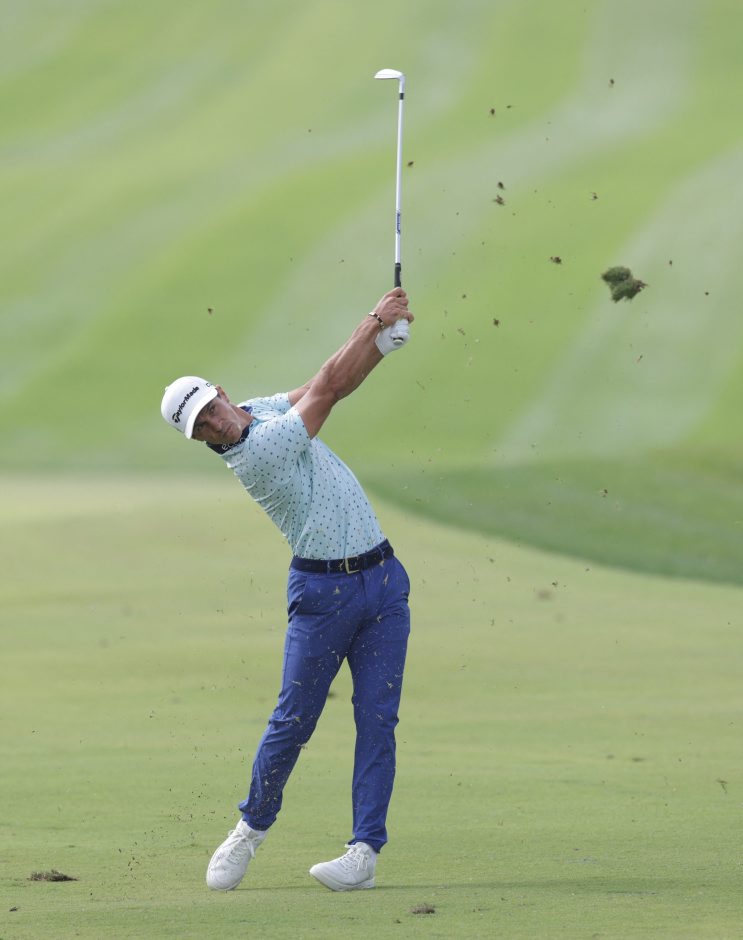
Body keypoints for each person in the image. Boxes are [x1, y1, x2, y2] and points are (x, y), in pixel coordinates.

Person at [160, 288, 414, 892]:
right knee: (293, 719)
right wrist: (373, 322)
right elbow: (327, 389)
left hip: (384, 582)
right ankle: (250, 828)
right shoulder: (257, 455)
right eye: (201, 428)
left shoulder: (259, 410)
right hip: (323, 596)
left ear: (221, 393)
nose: (214, 424)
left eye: (210, 409)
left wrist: (380, 346)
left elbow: (324, 384)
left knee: (377, 721)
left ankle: (363, 853)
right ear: (198, 439)